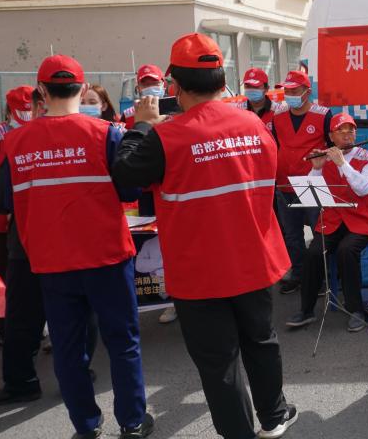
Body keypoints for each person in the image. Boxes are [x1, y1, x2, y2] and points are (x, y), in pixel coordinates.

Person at [112, 33, 298, 439]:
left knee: (219, 363)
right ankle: (274, 415)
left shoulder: (166, 137)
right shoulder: (254, 124)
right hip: (254, 260)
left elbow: (124, 174)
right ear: (223, 80)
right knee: (261, 341)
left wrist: (141, 126)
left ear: (175, 85)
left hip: (200, 273)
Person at [0, 54, 153, 439]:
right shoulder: (106, 133)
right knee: (122, 341)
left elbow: (1, 202)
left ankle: (86, 425)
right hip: (107, 258)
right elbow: (131, 190)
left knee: (67, 348)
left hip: (51, 262)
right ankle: (132, 421)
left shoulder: (15, 142)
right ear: (82, 88)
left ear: (42, 91)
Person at [287, 113, 368, 332]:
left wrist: (343, 164)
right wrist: (317, 167)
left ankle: (355, 309)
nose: (347, 135)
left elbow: (364, 189)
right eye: (341, 131)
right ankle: (306, 310)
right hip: (332, 219)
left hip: (361, 220)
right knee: (313, 253)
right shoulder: (324, 157)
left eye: (350, 130)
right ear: (331, 136)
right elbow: (312, 197)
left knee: (347, 250)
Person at [271, 70, 332, 294]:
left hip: (311, 182)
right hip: (284, 182)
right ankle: (298, 274)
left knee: (320, 232)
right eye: (286, 91)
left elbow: (332, 147)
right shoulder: (278, 115)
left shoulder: (323, 115)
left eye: (294, 91)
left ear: (307, 92)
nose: (289, 95)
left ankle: (322, 277)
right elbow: (276, 144)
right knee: (292, 234)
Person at [0, 85, 34, 341]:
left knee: (30, 275)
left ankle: (33, 325)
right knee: (1, 274)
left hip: (31, 214)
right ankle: (4, 330)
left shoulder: (38, 131)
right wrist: (2, 204)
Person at [122, 64, 166, 129]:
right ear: (138, 88)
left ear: (164, 85)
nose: (150, 87)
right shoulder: (127, 116)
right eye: (145, 84)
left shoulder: (175, 112)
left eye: (155, 83)